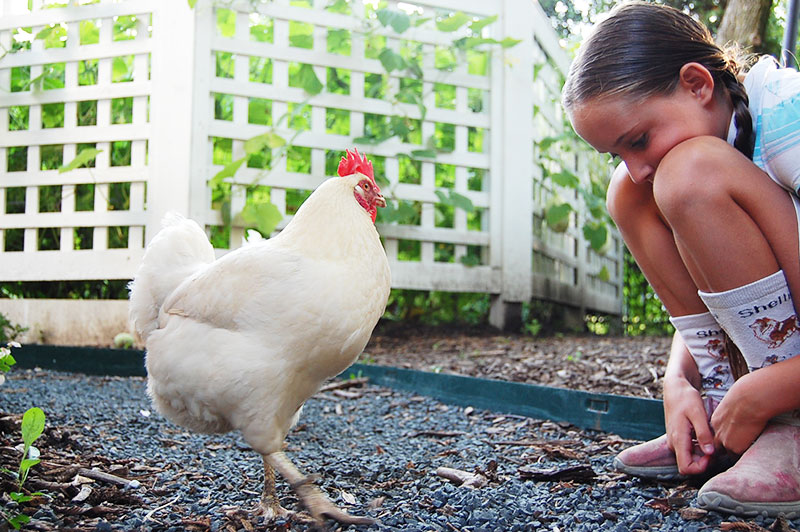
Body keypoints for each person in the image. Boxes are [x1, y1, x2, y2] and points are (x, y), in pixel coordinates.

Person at [562, 1, 800, 518]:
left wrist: (775, 391)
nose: (637, 166)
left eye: (639, 140)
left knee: (690, 171)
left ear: (697, 84)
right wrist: (680, 380)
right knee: (628, 193)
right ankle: (719, 400)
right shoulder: (688, 149)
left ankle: (791, 421)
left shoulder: (789, 116)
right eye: (617, 152)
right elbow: (737, 294)